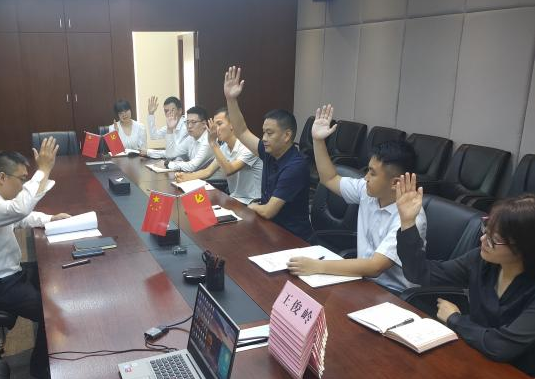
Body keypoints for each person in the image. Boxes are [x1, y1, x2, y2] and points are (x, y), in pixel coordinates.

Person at [395, 173, 535, 376]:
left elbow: (501, 346)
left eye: (494, 239)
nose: (483, 240)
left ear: (524, 248)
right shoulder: (482, 260)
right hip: (473, 355)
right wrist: (408, 222)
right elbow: (420, 273)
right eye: (486, 229)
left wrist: (455, 319)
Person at [0, 137, 70, 379]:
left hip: (6, 277)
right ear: (2, 177)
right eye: (22, 179)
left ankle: (52, 356)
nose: (23, 186)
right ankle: (41, 370)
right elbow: (18, 209)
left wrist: (49, 219)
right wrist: (43, 170)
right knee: (49, 313)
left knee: (52, 275)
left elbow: (20, 218)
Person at [287, 104, 427, 293]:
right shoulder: (368, 190)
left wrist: (317, 266)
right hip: (362, 281)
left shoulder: (411, 218)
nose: (366, 177)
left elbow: (375, 267)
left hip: (393, 294)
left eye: (372, 173)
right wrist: (318, 141)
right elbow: (329, 179)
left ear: (395, 183)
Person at [223, 66, 312, 239]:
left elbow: (268, 211)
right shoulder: (270, 152)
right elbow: (241, 131)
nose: (264, 138)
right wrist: (231, 100)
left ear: (287, 136)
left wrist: (251, 206)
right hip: (270, 227)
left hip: (292, 237)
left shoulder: (295, 166)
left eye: (269, 133)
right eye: (263, 132)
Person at [175, 107, 262, 204]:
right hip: (234, 199)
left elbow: (229, 170)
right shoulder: (224, 147)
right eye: (214, 125)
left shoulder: (248, 147)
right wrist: (186, 177)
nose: (215, 129)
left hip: (252, 202)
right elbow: (208, 171)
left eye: (219, 124)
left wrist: (213, 143)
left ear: (232, 125)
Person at [154, 106, 214, 172]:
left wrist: (167, 164)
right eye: (187, 122)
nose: (189, 126)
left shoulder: (208, 140)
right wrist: (170, 129)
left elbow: (192, 166)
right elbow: (171, 153)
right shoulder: (191, 138)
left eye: (193, 122)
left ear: (204, 124)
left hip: (207, 177)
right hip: (194, 175)